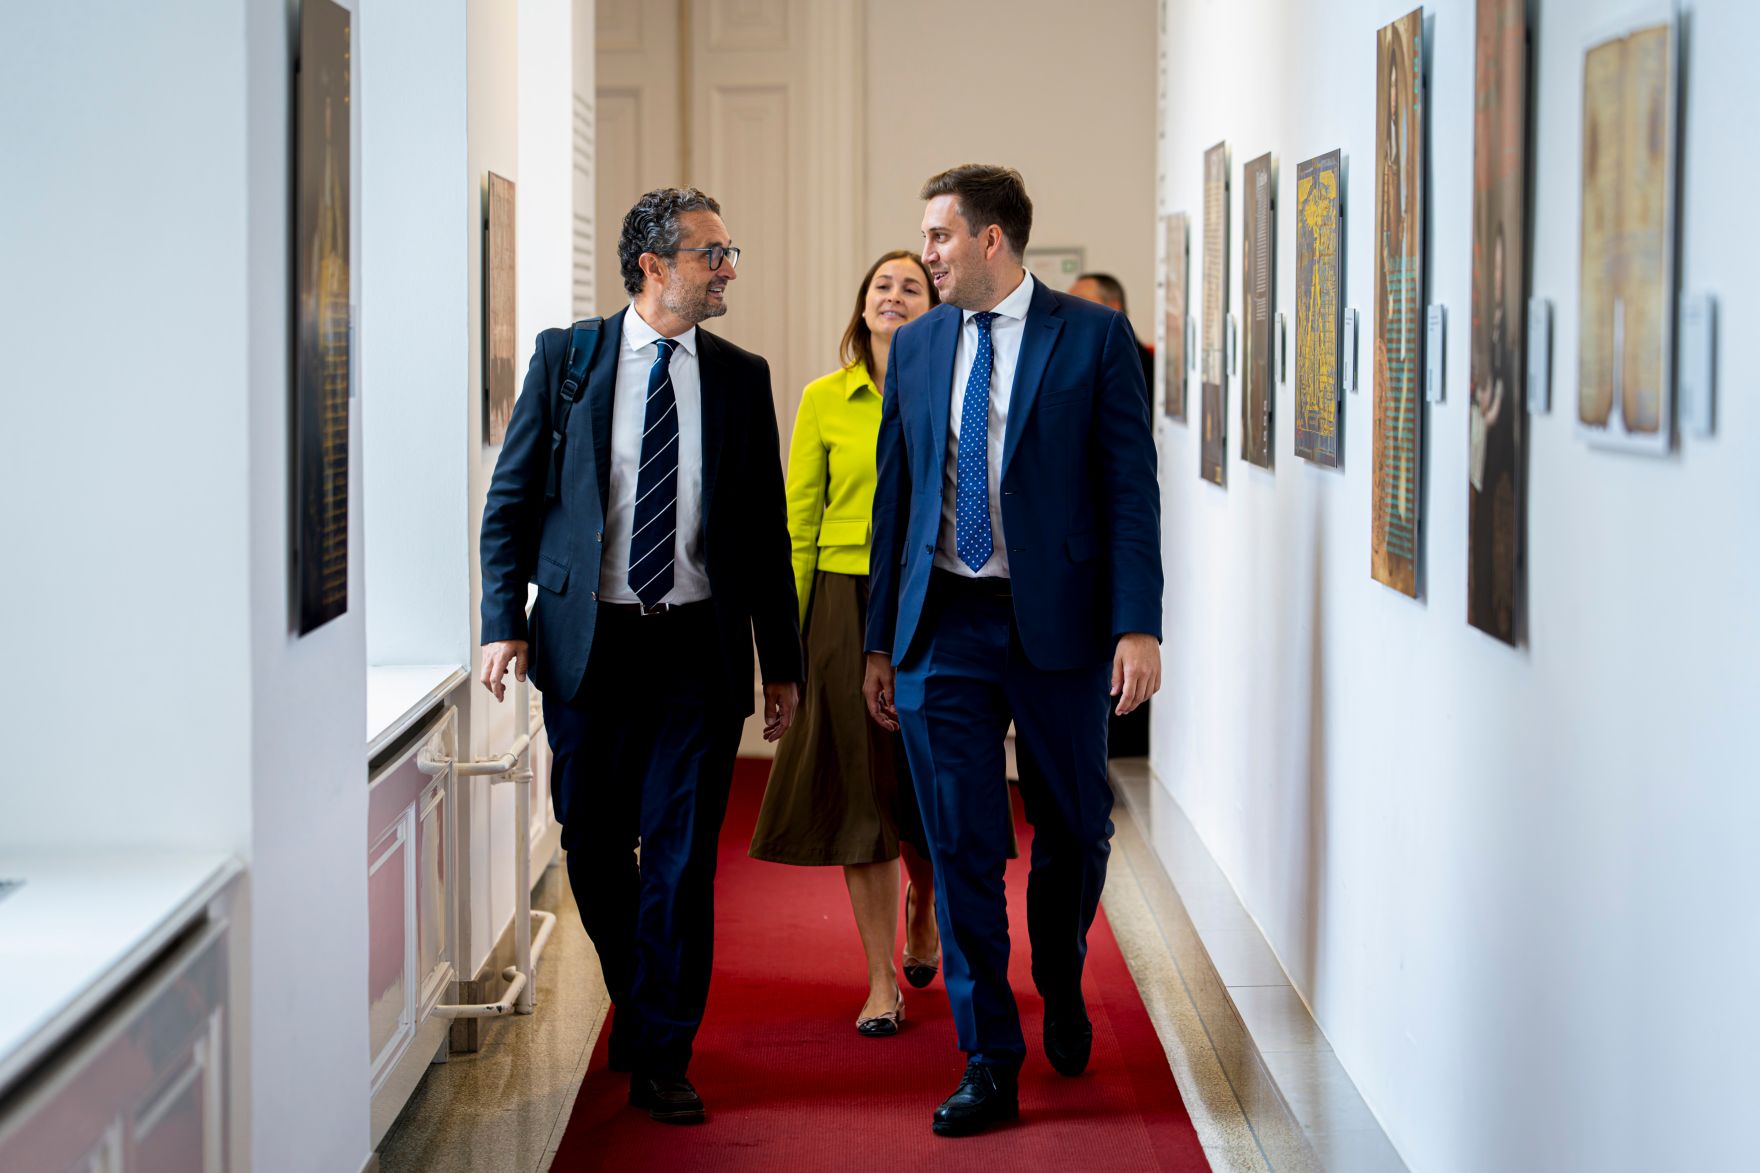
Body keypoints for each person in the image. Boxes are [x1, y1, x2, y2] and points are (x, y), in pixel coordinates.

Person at [479, 187, 802, 1126]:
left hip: (696, 649)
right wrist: (505, 618)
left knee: (682, 855)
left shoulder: (742, 377)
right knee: (589, 839)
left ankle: (663, 1048)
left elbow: (763, 535)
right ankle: (641, 994)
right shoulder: (568, 359)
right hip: (589, 645)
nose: (729, 267)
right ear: (654, 266)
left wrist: (778, 662)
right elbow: (510, 502)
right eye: (713, 253)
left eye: (729, 250)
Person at [864, 165, 1163, 1137]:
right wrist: (879, 643)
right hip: (942, 623)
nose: (926, 255)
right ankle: (988, 1054)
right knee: (959, 842)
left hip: (1059, 628)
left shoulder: (1091, 336)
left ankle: (1060, 976)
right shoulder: (912, 349)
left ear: (991, 240)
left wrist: (1137, 624)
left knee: (1073, 829)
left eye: (939, 237)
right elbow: (894, 503)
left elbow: (1128, 488)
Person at [748, 250, 943, 1038]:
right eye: (881, 286)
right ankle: (879, 978)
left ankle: (924, 907)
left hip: (930, 599)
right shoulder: (824, 399)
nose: (894, 295)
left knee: (925, 785)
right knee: (860, 796)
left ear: (933, 307)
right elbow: (796, 523)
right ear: (861, 306)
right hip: (839, 600)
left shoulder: (949, 392)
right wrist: (785, 652)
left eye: (911, 286)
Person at [1068, 272, 1155, 402]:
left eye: (1080, 300)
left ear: (1112, 308)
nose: (1069, 310)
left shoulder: (1136, 362)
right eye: (1068, 302)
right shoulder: (1081, 354)